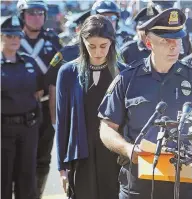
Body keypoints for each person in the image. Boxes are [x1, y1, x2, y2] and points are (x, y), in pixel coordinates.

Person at [98, 8, 192, 199]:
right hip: (138, 185)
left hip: (184, 184)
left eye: (177, 41)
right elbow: (107, 127)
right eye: (165, 41)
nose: (173, 47)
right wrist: (128, 149)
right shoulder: (127, 79)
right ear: (148, 43)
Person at [56, 15, 120, 199]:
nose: (98, 52)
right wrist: (62, 167)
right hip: (80, 157)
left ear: (112, 43)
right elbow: (63, 122)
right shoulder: (68, 72)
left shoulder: (122, 73)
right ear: (82, 42)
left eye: (103, 46)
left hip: (114, 158)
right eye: (91, 46)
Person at [16, 0, 62, 198]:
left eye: (40, 13)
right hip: (17, 108)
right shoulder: (12, 38)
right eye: (31, 13)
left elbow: (60, 72)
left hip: (45, 106)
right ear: (22, 16)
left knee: (42, 158)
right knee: (17, 157)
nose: (36, 17)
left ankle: (37, 194)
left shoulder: (53, 40)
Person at [1, 16, 44, 199]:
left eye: (17, 36)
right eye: (10, 36)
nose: (15, 40)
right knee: (3, 178)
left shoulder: (29, 62)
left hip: (27, 128)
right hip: (3, 130)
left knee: (26, 177)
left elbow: (38, 92)